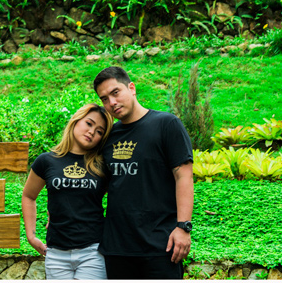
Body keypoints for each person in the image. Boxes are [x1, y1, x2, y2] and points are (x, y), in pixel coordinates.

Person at [93, 65, 194, 280]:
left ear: (132, 88)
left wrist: (183, 227)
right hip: (117, 248)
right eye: (104, 99)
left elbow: (184, 176)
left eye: (115, 92)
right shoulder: (108, 136)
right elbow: (98, 185)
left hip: (161, 246)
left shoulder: (166, 124)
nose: (112, 102)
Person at [22, 103, 113, 279]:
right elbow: (29, 196)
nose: (92, 132)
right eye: (89, 123)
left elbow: (121, 198)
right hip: (56, 252)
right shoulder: (46, 161)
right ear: (76, 121)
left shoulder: (102, 165)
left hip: (92, 250)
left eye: (99, 131)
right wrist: (31, 237)